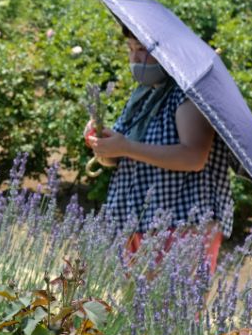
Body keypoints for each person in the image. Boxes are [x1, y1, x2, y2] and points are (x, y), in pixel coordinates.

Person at [87, 24, 235, 273]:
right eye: (130, 48)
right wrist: (102, 145)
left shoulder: (186, 94)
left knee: (170, 309)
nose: (134, 57)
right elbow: (121, 157)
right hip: (137, 221)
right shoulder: (144, 95)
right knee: (137, 310)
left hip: (181, 224)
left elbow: (193, 156)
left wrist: (126, 146)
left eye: (142, 49)